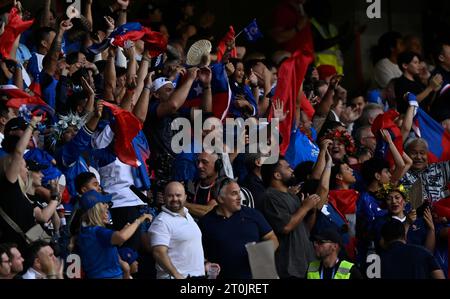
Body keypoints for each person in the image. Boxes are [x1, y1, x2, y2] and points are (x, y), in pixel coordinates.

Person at [198, 178, 278, 279]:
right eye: (234, 193)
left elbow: (272, 237)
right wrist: (206, 264)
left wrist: (263, 252)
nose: (239, 197)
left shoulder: (252, 214)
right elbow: (198, 254)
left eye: (239, 192)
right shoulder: (206, 223)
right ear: (221, 198)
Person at [261, 157, 319, 278]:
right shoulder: (270, 197)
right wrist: (304, 208)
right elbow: (286, 227)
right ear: (277, 175)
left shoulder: (291, 196)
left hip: (307, 262)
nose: (292, 169)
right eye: (287, 167)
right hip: (290, 267)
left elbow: (305, 228)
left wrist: (311, 211)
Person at [76, 190, 152, 279]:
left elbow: (112, 244)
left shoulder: (85, 231)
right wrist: (140, 220)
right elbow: (121, 237)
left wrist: (124, 230)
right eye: (104, 204)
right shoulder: (98, 232)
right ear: (97, 210)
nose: (107, 207)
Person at [148, 182, 209, 279]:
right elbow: (159, 253)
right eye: (170, 196)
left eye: (178, 195)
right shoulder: (161, 222)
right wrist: (176, 275)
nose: (175, 199)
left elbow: (190, 246)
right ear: (164, 197)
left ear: (185, 197)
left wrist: (205, 263)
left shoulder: (187, 214)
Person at [379, 219, 445, 279]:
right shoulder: (423, 252)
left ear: (382, 239)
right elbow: (439, 276)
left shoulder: (377, 261)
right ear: (405, 236)